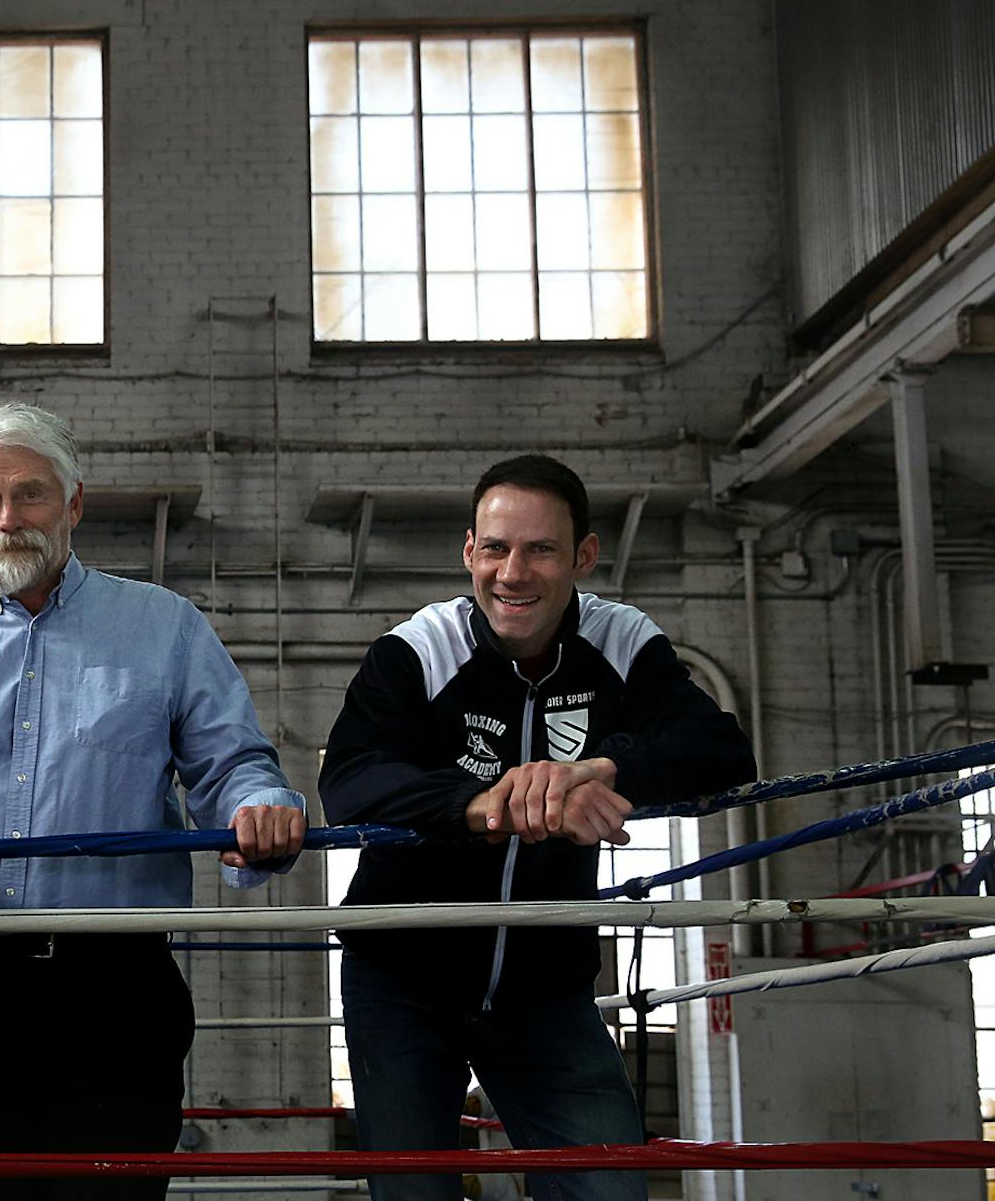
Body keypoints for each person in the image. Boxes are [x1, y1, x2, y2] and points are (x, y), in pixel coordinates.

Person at [0, 401, 307, 1201]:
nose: (8, 517)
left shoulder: (166, 628)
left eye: (31, 493)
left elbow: (232, 765)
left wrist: (259, 807)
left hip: (116, 992)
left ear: (74, 501)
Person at [320, 454, 758, 1201]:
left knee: (610, 1190)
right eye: (495, 548)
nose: (512, 573)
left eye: (540, 549)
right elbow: (350, 781)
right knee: (413, 1196)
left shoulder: (622, 642)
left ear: (585, 555)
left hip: (546, 987)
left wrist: (600, 769)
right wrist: (481, 803)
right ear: (469, 552)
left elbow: (720, 751)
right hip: (402, 983)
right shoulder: (419, 650)